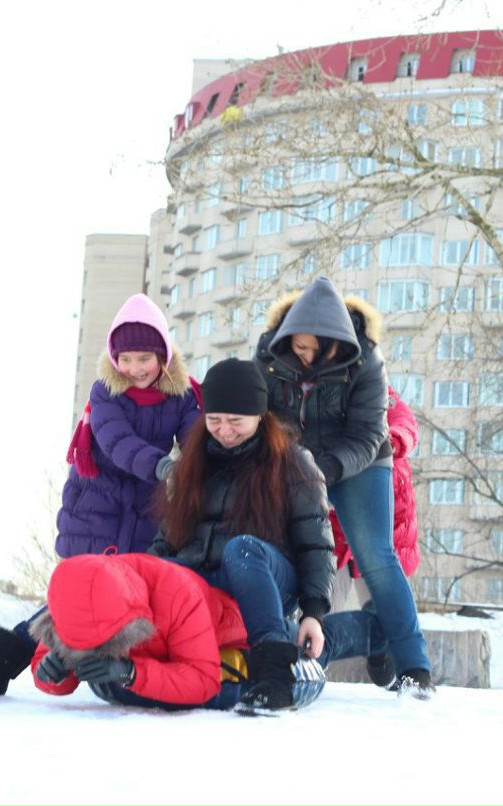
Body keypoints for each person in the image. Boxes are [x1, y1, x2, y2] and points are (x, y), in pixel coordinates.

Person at [0, 293, 200, 701]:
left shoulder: (184, 396)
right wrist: (163, 467)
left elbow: (197, 439)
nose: (135, 368)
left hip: (147, 514)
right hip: (97, 510)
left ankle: (131, 676)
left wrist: (198, 469)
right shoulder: (105, 393)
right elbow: (117, 442)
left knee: (132, 601)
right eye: (127, 358)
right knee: (76, 601)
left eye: (145, 359)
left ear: (164, 357)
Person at [148, 358, 387, 713]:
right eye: (214, 420)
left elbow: (316, 545)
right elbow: (166, 542)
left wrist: (313, 613)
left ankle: (276, 671)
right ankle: (368, 631)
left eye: (236, 422)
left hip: (269, 579)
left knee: (242, 551)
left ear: (260, 415)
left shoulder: (292, 463)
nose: (224, 430)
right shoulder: (192, 465)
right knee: (157, 571)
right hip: (206, 589)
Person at [255, 277, 435, 698]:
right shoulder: (268, 354)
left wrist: (329, 468)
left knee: (376, 554)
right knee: (273, 547)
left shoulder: (366, 361)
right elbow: (261, 416)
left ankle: (415, 669)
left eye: (318, 350)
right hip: (295, 461)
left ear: (340, 342)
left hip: (358, 461)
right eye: (300, 348)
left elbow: (371, 435)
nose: (307, 358)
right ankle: (268, 653)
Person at [26, 552, 330, 712]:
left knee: (321, 645)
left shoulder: (175, 593)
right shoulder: (77, 596)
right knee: (106, 686)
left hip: (237, 630)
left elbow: (203, 681)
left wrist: (132, 673)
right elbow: (49, 655)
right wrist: (50, 674)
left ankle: (375, 629)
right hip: (177, 648)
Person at [328, 385, 421, 686]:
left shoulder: (377, 390)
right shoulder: (316, 398)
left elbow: (405, 422)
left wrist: (391, 441)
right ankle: (309, 666)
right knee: (321, 608)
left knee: (390, 611)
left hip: (386, 535)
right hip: (336, 535)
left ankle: (386, 655)